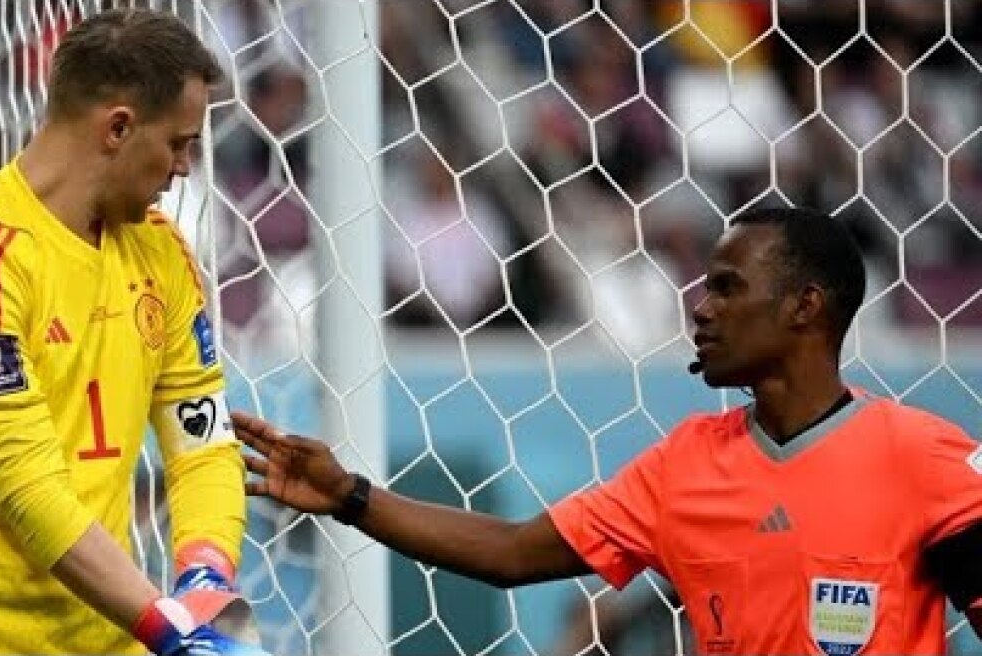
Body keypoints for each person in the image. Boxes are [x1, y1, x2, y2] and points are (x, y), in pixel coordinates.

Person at [236, 206, 982, 656]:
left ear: (805, 306)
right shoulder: (685, 466)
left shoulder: (923, 458)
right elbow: (512, 552)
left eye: (728, 288)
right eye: (705, 288)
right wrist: (350, 497)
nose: (701, 309)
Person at [0, 9, 266, 656]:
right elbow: (31, 492)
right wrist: (168, 628)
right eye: (178, 143)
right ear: (118, 128)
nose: (186, 167)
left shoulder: (162, 253)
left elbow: (202, 443)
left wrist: (204, 576)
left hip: (106, 637)